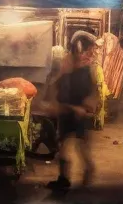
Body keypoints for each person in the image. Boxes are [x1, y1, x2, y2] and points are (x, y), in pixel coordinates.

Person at [46, 32, 99, 192]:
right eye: (88, 49)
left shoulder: (87, 69)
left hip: (78, 112)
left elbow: (93, 90)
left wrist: (88, 106)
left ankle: (88, 170)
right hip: (66, 111)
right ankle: (64, 179)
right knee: (64, 145)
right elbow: (56, 84)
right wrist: (54, 103)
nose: (90, 53)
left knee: (81, 146)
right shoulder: (66, 63)